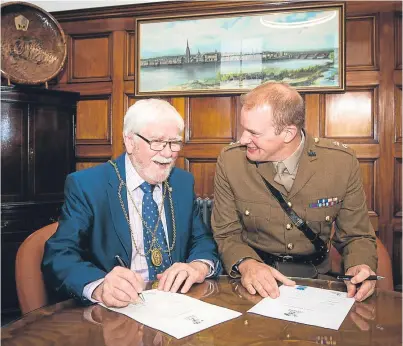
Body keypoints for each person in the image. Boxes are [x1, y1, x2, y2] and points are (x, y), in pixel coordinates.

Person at [42, 99, 221, 308]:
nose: (167, 153)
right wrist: (100, 286)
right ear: (129, 141)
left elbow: (202, 239)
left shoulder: (182, 182)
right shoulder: (87, 185)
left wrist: (198, 266)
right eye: (157, 142)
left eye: (174, 142)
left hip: (175, 305)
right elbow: (59, 255)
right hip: (116, 310)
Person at [211, 82, 377, 302]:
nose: (243, 139)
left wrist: (360, 265)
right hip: (253, 283)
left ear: (288, 133)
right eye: (243, 129)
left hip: (318, 282)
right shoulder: (231, 162)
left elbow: (356, 235)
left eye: (253, 132)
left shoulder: (341, 163)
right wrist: (246, 264)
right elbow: (226, 233)